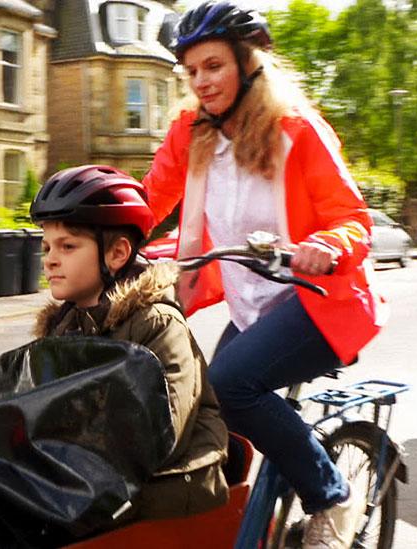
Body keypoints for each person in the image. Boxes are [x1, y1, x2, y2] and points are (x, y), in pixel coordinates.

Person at [141, 2, 387, 548]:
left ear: (248, 62)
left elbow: (352, 218)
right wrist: (102, 232)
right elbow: (146, 200)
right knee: (201, 401)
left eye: (213, 66)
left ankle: (331, 495)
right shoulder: (192, 132)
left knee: (231, 385)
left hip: (320, 301)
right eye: (192, 71)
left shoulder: (297, 130)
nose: (201, 82)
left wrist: (326, 243)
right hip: (253, 307)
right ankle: (243, 517)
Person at [30, 164, 230, 521]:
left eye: (68, 246)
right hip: (96, 474)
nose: (50, 259)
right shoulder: (63, 327)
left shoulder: (157, 324)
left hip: (170, 480)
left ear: (118, 254)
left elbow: (162, 432)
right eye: (46, 247)